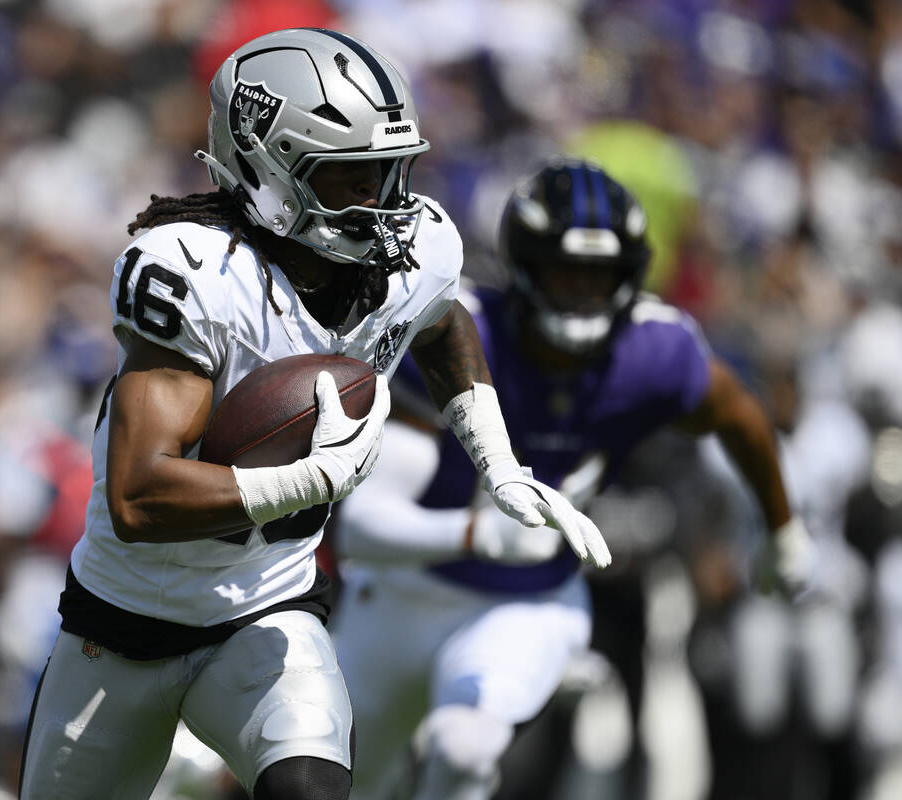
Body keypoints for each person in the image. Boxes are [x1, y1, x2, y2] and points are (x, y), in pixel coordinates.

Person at [17, 29, 608, 800]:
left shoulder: (414, 250)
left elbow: (438, 318)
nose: (382, 205)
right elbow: (137, 498)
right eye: (349, 179)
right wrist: (309, 481)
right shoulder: (197, 274)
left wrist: (495, 460)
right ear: (266, 171)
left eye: (389, 175)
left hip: (266, 614)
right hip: (120, 631)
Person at [329, 158, 817, 800]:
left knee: (465, 746)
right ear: (525, 265)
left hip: (530, 601)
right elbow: (358, 532)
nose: (583, 292)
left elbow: (742, 416)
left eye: (599, 276)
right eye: (565, 272)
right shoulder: (451, 333)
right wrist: (478, 534)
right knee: (327, 782)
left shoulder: (654, 354)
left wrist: (783, 529)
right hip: (401, 595)